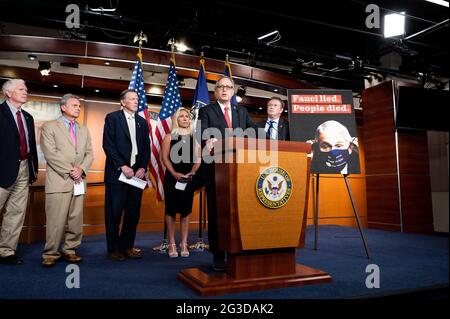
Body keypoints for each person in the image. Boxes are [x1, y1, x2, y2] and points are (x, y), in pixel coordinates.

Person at [198, 76, 256, 271]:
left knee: (239, 211)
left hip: (241, 170)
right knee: (217, 213)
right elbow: (201, 132)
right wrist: (209, 140)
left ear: (233, 92)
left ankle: (237, 250)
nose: (224, 90)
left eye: (228, 87)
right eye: (220, 87)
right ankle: (218, 254)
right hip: (216, 169)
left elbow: (253, 131)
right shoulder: (206, 111)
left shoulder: (242, 111)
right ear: (216, 91)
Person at [40, 94, 93, 267]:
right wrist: (70, 170)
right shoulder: (49, 127)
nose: (78, 108)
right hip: (59, 180)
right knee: (55, 220)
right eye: (74, 105)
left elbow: (89, 153)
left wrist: (81, 169)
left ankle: (70, 250)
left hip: (78, 181)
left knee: (76, 219)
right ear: (63, 107)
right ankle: (50, 253)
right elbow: (50, 153)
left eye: (79, 105)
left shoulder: (83, 129)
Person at [102, 89, 150, 261]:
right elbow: (108, 145)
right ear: (122, 102)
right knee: (114, 214)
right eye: (132, 99)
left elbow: (146, 148)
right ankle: (113, 249)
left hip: (136, 176)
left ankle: (127, 246)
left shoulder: (142, 123)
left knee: (132, 213)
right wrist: (122, 166)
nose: (136, 101)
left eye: (137, 99)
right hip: (117, 174)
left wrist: (143, 167)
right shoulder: (112, 118)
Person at [0, 79, 38, 265]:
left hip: (23, 169)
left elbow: (31, 147)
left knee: (15, 213)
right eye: (21, 89)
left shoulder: (28, 117)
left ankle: (6, 251)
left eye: (26, 88)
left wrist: (33, 169)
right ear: (8, 93)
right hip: (2, 171)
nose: (26, 91)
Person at [162, 108, 201, 258]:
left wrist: (192, 173)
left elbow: (198, 159)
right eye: (181, 116)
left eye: (187, 116)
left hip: (188, 178)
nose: (185, 119)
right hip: (173, 177)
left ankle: (183, 243)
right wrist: (174, 173)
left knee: (186, 211)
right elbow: (164, 158)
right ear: (176, 119)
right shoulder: (169, 137)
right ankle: (171, 243)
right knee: (171, 211)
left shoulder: (195, 137)